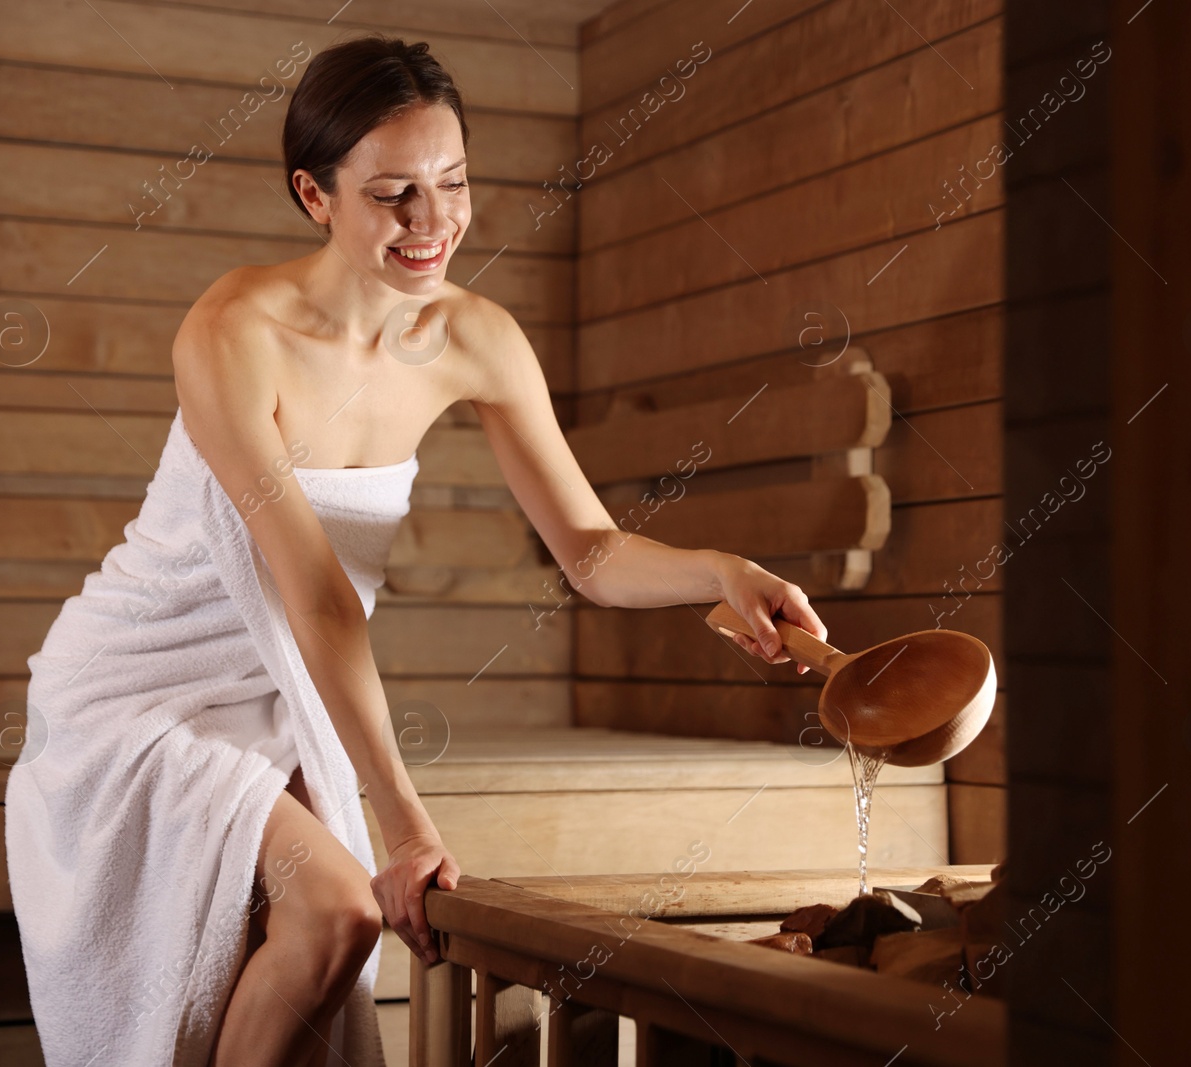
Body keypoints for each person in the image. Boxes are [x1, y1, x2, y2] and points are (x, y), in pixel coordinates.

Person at [173, 34, 827, 1065]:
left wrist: (720, 572)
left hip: (292, 691)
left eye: (453, 183)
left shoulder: (476, 337)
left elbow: (593, 550)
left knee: (320, 926)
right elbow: (316, 594)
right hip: (158, 693)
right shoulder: (232, 330)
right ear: (315, 194)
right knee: (340, 914)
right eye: (393, 194)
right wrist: (400, 819)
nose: (432, 224)